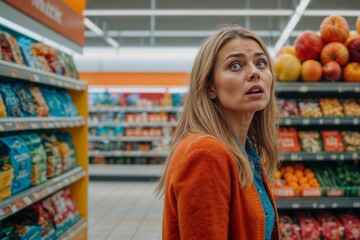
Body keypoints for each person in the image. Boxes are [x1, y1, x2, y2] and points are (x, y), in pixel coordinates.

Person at [155, 25, 281, 240]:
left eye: (261, 63)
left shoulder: (244, 153)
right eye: (235, 65)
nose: (254, 72)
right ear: (209, 88)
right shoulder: (206, 155)